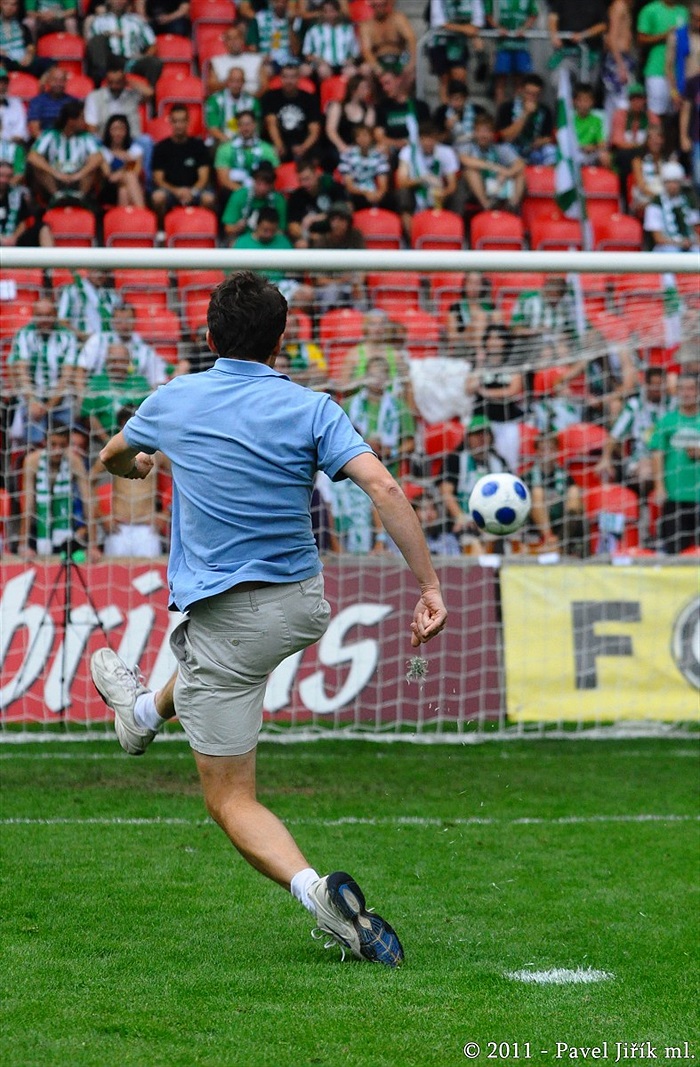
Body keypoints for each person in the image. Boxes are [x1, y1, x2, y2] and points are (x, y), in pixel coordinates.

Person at [90, 270, 447, 966]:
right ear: (282, 342)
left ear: (207, 336)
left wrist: (140, 466)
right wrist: (428, 584)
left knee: (230, 798)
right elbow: (383, 485)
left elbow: (111, 456)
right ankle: (139, 715)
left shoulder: (176, 397)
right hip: (302, 604)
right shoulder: (313, 406)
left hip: (231, 615)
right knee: (206, 660)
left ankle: (324, 899)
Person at [92, 405, 169, 556]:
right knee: (114, 578)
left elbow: (179, 478)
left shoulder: (156, 452)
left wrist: (166, 513)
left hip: (148, 529)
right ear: (121, 426)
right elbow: (88, 481)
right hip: (119, 529)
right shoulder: (112, 450)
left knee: (151, 579)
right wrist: (101, 514)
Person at [17, 422, 99, 560]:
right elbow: (28, 503)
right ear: (44, 442)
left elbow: (88, 501)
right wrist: (22, 544)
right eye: (53, 444)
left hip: (66, 524)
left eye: (62, 445)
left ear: (67, 445)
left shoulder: (75, 461)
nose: (57, 450)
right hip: (38, 526)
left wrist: (94, 545)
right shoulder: (32, 461)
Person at [7, 295, 80, 447]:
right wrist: (33, 402)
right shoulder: (24, 334)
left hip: (61, 403)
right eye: (39, 315)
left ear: (55, 315)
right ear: (33, 316)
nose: (44, 319)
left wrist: (48, 406)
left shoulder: (67, 336)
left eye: (48, 315)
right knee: (33, 446)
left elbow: (66, 377)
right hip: (31, 402)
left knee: (66, 445)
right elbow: (22, 373)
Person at [597, 366, 674, 493]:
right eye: (654, 385)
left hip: (670, 455)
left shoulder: (673, 404)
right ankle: (646, 508)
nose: (657, 390)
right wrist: (605, 458)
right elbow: (615, 434)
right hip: (642, 456)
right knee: (647, 472)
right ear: (646, 385)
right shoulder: (635, 405)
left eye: (661, 385)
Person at [650, 372, 700, 553]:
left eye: (691, 388)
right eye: (682, 389)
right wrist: (659, 486)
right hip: (675, 496)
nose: (686, 393)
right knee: (676, 551)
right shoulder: (667, 421)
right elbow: (657, 454)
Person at [150, 104, 216, 228]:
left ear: (188, 122)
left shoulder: (198, 145)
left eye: (182, 121)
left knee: (208, 199)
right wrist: (177, 191)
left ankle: (201, 228)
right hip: (171, 191)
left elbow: (204, 177)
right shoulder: (161, 147)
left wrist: (192, 191)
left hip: (195, 190)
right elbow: (159, 179)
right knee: (158, 197)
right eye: (175, 121)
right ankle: (163, 231)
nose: (179, 125)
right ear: (170, 122)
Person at [27, 99, 103, 205]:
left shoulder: (86, 136)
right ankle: (56, 196)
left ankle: (81, 196)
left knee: (93, 165)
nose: (85, 122)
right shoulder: (50, 134)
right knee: (38, 166)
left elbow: (98, 157)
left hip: (79, 178)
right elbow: (32, 156)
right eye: (81, 118)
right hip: (55, 178)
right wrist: (56, 173)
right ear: (71, 120)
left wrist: (79, 174)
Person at [528, 432, 586, 557]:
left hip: (561, 524)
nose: (547, 453)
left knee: (574, 492)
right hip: (534, 524)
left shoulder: (565, 476)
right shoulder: (527, 476)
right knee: (537, 493)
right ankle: (549, 540)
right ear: (536, 452)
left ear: (557, 451)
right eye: (543, 449)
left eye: (551, 449)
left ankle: (559, 543)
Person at [85, 0, 162, 88]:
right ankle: (101, 86)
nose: (119, 1)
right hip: (109, 61)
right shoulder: (98, 22)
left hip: (131, 61)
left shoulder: (138, 21)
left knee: (155, 63)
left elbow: (152, 45)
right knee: (97, 40)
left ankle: (149, 95)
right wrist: (108, 34)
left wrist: (143, 56)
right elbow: (92, 45)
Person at [460, 113, 525, 213]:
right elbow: (465, 160)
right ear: (474, 132)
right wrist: (495, 167)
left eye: (486, 131)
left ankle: (512, 206)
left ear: (492, 133)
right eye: (479, 131)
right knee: (470, 171)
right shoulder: (468, 145)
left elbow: (520, 163)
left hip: (498, 184)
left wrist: (507, 173)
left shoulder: (500, 147)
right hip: (476, 188)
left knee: (520, 174)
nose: (483, 135)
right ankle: (487, 206)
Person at [261, 60, 321, 164]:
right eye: (285, 77)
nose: (289, 81)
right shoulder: (270, 97)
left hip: (302, 143)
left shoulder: (310, 99)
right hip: (279, 142)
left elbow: (314, 129)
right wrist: (279, 145)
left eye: (293, 77)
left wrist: (304, 147)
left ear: (299, 79)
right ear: (280, 78)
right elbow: (271, 123)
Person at [637, 0, 688, 120]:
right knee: (656, 112)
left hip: (679, 73)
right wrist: (664, 36)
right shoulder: (650, 10)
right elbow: (641, 39)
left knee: (677, 113)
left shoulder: (683, 11)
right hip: (656, 70)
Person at [213, 109, 279, 198]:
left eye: (248, 124)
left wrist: (258, 192)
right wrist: (245, 193)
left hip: (262, 193)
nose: (245, 128)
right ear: (237, 127)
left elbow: (273, 177)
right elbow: (224, 180)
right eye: (241, 124)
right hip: (235, 192)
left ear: (255, 125)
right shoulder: (225, 149)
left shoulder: (267, 149)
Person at [495, 73, 557, 167]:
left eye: (535, 95)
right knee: (503, 149)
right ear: (521, 91)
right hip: (513, 148)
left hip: (534, 149)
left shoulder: (545, 110)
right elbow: (506, 137)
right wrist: (525, 114)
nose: (531, 97)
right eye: (528, 93)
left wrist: (540, 142)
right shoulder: (507, 107)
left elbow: (549, 137)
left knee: (551, 150)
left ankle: (547, 178)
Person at [486, 0, 538, 107]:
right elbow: (488, 15)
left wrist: (524, 28)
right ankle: (500, 112)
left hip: (521, 45)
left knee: (520, 81)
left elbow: (534, 14)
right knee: (500, 81)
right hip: (502, 45)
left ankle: (517, 111)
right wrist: (498, 28)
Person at [221, 160, 287, 241]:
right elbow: (228, 229)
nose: (262, 188)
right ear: (253, 180)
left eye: (267, 183)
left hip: (270, 242)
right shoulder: (239, 195)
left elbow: (281, 231)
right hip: (244, 239)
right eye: (259, 183)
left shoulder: (278, 200)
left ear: (272, 184)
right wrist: (237, 227)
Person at [643, 160, 700, 250]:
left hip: (689, 245)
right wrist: (679, 243)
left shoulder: (688, 201)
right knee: (671, 250)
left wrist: (690, 242)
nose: (673, 186)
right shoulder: (656, 203)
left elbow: (696, 230)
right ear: (664, 183)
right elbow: (658, 238)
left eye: (675, 182)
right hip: (666, 246)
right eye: (669, 182)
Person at [57, 268, 123, 343]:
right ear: (89, 270)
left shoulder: (112, 297)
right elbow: (62, 322)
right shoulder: (71, 291)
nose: (100, 275)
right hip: (78, 345)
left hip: (105, 345)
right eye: (96, 271)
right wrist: (81, 336)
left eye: (104, 272)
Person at [359, 0, 415, 84]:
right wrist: (376, 66)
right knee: (366, 69)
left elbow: (411, 40)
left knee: (410, 70)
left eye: (383, 5)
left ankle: (404, 96)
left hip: (399, 58)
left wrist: (411, 62)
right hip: (379, 60)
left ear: (387, 4)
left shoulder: (397, 18)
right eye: (376, 6)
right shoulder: (366, 26)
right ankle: (375, 96)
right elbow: (366, 50)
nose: (380, 8)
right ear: (372, 6)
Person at [301, 0, 359, 81]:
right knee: (322, 71)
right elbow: (307, 53)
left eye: (332, 11)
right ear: (321, 13)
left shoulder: (348, 29)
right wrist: (319, 60)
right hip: (322, 65)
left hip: (343, 65)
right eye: (325, 12)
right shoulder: (314, 30)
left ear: (338, 12)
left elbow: (355, 52)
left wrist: (350, 60)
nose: (329, 15)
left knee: (352, 72)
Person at [337, 122, 390, 209]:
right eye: (359, 136)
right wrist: (366, 193)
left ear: (371, 137)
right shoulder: (347, 156)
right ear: (355, 139)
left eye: (365, 135)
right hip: (355, 193)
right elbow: (349, 185)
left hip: (374, 191)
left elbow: (383, 183)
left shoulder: (379, 156)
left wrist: (379, 194)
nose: (362, 139)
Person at [204, 67, 261, 147]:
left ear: (243, 82)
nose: (235, 85)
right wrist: (230, 144)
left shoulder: (252, 102)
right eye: (232, 81)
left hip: (246, 143)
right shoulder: (215, 100)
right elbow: (213, 128)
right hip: (220, 142)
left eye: (239, 81)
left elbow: (256, 128)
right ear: (227, 82)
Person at [325, 73, 377, 160]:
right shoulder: (337, 106)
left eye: (367, 88)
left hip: (360, 148)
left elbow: (368, 132)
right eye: (363, 88)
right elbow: (331, 130)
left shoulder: (368, 109)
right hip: (339, 147)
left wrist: (360, 150)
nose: (367, 91)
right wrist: (342, 146)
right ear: (353, 90)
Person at [99, 113, 145, 208]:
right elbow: (109, 176)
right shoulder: (103, 151)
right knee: (128, 178)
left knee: (124, 190)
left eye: (121, 129)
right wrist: (128, 164)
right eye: (114, 129)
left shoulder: (135, 150)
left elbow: (136, 172)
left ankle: (127, 219)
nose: (118, 133)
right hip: (109, 189)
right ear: (108, 131)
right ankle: (143, 213)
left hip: (129, 186)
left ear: (127, 131)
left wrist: (122, 172)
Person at [206, 23, 266, 97]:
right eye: (229, 39)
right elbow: (211, 86)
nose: (234, 41)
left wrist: (251, 101)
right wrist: (231, 84)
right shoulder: (216, 61)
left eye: (237, 38)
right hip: (224, 103)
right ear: (225, 43)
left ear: (242, 40)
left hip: (251, 102)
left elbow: (264, 86)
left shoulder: (256, 60)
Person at [26, 65, 76, 139]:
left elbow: (77, 127)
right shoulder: (37, 101)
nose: (58, 83)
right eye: (55, 80)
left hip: (68, 141)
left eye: (61, 80)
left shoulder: (73, 101)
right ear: (48, 81)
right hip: (43, 142)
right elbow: (35, 131)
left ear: (66, 82)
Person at [572, 81, 613, 169]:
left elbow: (602, 144)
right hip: (574, 152)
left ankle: (604, 181)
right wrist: (581, 147)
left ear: (592, 102)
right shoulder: (569, 119)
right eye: (580, 100)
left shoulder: (598, 119)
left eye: (587, 100)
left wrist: (592, 147)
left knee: (605, 156)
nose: (583, 104)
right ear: (574, 101)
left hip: (591, 153)